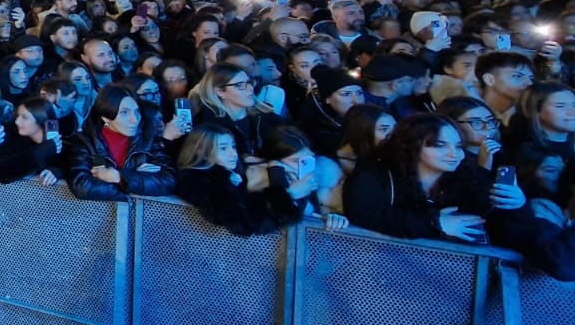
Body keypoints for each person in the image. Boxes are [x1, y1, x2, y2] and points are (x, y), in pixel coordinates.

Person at [343, 113, 536, 247]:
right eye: (440, 145)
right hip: (380, 268)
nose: (454, 154)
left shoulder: (467, 175)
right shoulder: (375, 174)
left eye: (459, 146)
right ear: (412, 146)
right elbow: (366, 215)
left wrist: (517, 205)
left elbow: (496, 222)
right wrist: (436, 223)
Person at [175, 124, 317, 236]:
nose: (233, 153)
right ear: (202, 152)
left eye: (233, 146)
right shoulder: (199, 181)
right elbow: (242, 221)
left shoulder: (236, 174)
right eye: (223, 148)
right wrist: (289, 194)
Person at [65, 84, 176, 201]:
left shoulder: (148, 139)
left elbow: (169, 180)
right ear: (106, 117)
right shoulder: (86, 143)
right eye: (124, 113)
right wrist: (134, 183)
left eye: (137, 112)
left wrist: (120, 177)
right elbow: (83, 186)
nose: (134, 120)